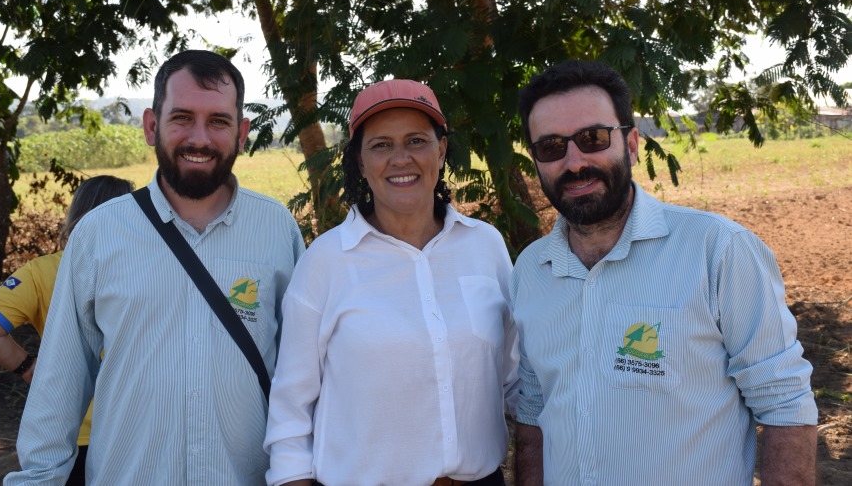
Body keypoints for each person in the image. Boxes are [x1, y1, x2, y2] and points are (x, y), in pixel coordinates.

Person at [5, 50, 305, 485]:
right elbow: (59, 386)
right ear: (151, 125)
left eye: (218, 121)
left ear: (241, 134)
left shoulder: (277, 229)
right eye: (182, 117)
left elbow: (302, 377)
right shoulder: (98, 235)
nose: (199, 138)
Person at [511, 60, 818, 486]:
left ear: (632, 144)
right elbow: (533, 411)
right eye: (551, 147)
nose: (575, 161)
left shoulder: (718, 250)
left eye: (593, 138)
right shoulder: (530, 269)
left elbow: (784, 404)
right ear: (536, 161)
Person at [264, 79, 519, 486]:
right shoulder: (326, 263)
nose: (401, 159)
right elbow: (290, 409)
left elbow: (516, 377)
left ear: (442, 149)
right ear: (360, 163)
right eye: (381, 145)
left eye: (417, 141)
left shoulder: (484, 246)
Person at [0, 175, 134, 485]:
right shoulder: (147, 269)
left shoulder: (42, 270)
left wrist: (29, 368)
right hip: (135, 431)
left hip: (69, 432)